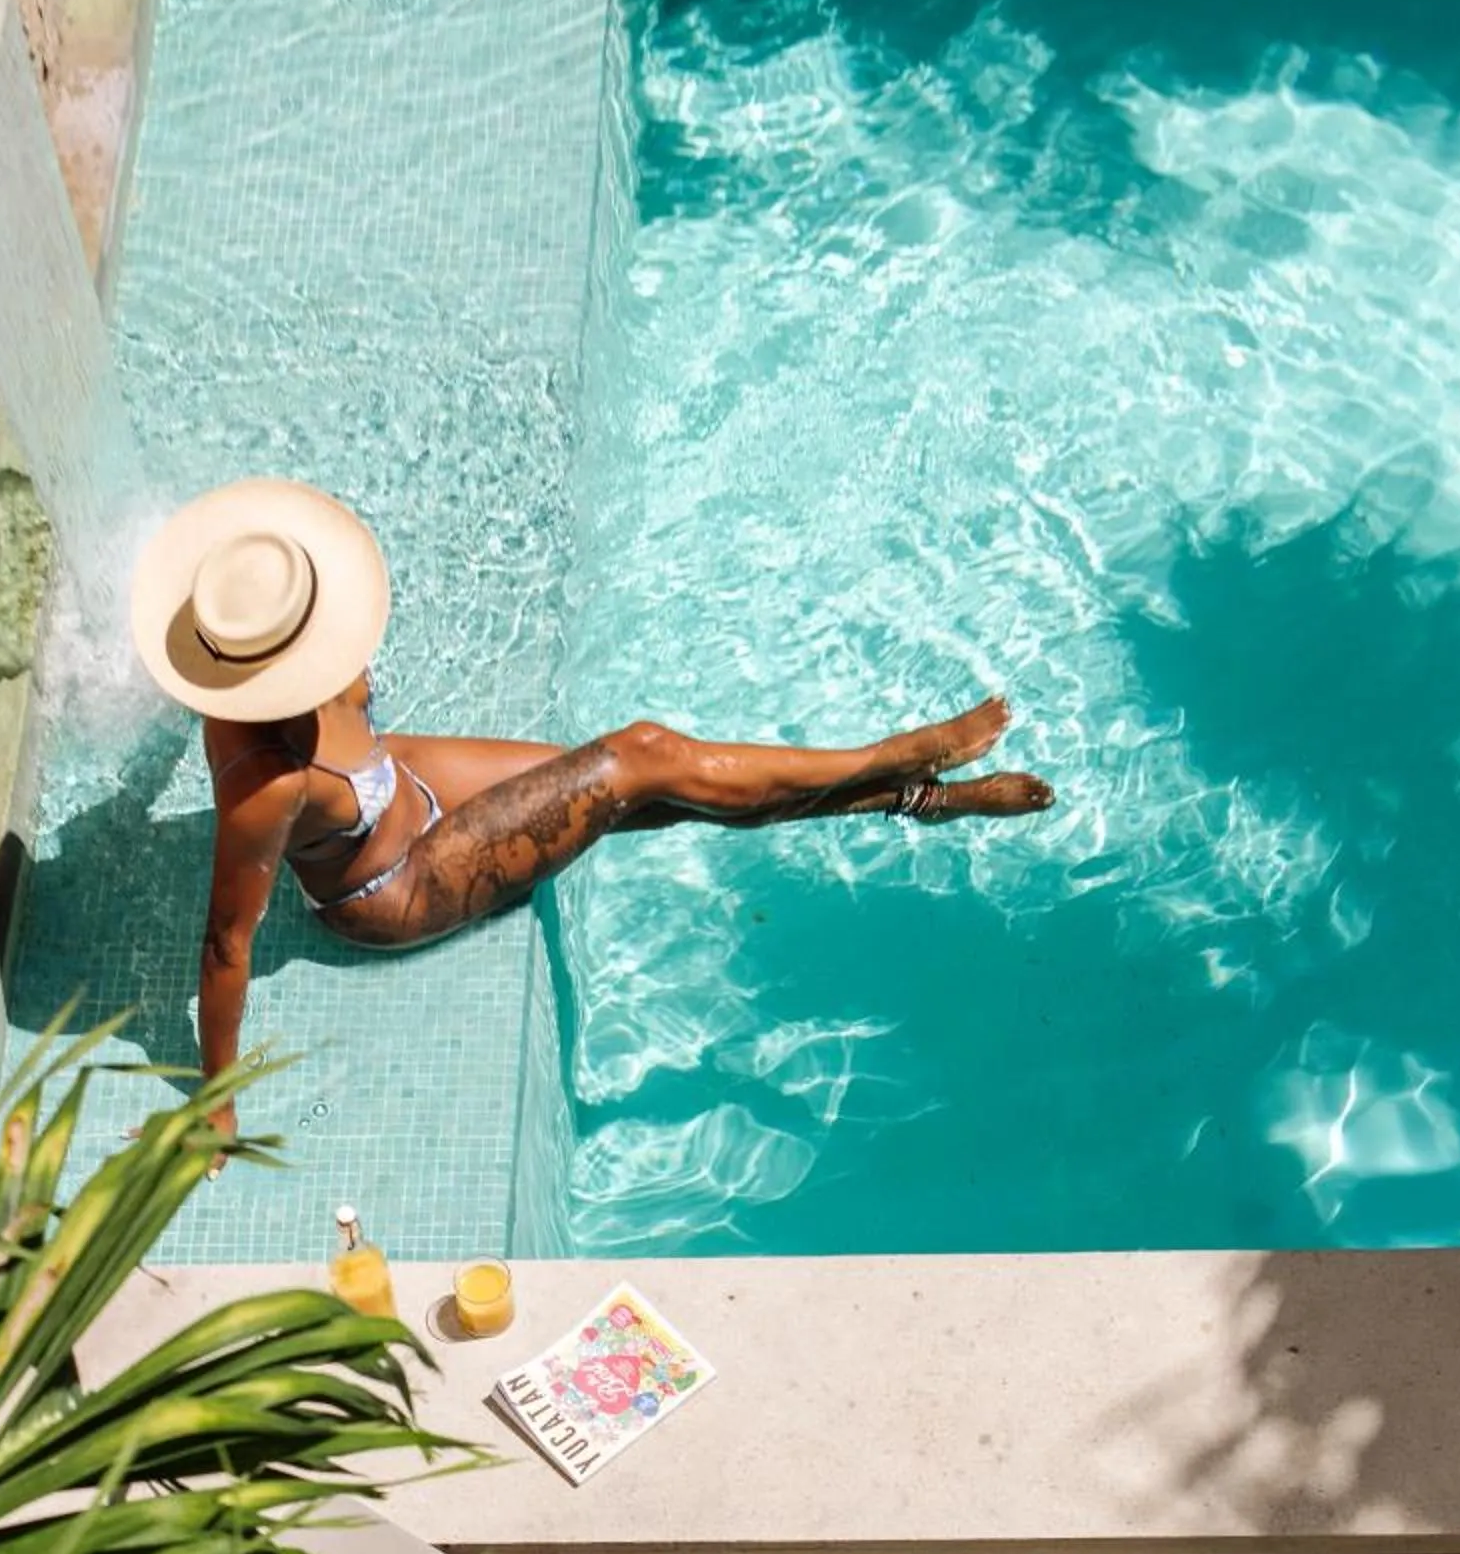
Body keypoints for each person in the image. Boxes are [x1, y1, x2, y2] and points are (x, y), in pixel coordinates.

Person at [130, 478, 1054, 1139]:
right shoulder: (266, 783)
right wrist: (217, 1103)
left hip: (404, 780)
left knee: (658, 784)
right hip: (395, 879)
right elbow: (226, 944)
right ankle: (893, 759)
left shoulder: (297, 621)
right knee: (642, 758)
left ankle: (905, 798)